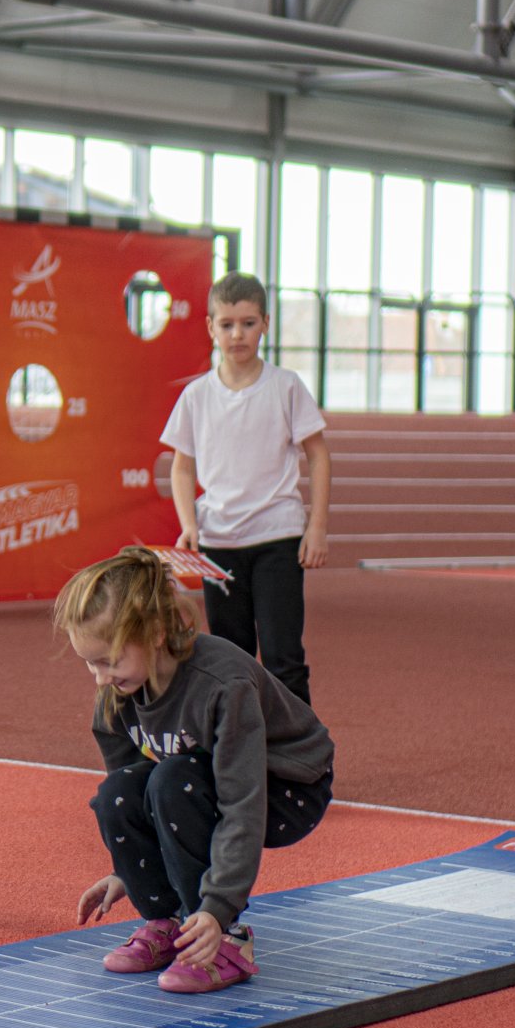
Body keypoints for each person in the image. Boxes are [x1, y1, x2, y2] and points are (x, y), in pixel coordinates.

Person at [55, 547, 335, 994]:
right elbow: (130, 794)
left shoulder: (223, 684)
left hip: (289, 787)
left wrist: (217, 907)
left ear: (157, 633)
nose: (100, 678)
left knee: (173, 782)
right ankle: (168, 927)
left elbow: (241, 802)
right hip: (199, 778)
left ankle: (225, 940)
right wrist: (129, 870)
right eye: (90, 663)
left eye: (108, 661)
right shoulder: (116, 694)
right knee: (118, 792)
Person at [163, 272, 330, 705]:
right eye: (227, 324)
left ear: (266, 324)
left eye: (249, 323)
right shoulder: (197, 396)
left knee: (284, 657)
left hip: (278, 537)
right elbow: (182, 469)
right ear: (210, 327)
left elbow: (319, 455)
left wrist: (316, 528)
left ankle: (300, 762)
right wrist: (188, 524)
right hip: (220, 543)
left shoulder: (287, 386)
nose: (238, 333)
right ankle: (240, 753)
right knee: (231, 657)